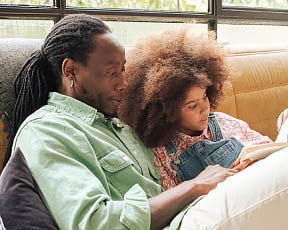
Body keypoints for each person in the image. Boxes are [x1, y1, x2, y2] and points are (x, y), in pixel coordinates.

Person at [3, 14, 285, 230]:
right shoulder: (47, 132)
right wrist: (196, 186)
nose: (124, 83)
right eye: (111, 72)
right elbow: (96, 222)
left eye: (123, 71)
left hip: (197, 211)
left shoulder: (115, 124)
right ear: (71, 70)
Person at [117, 27, 272, 190]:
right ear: (166, 111)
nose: (204, 108)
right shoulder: (162, 154)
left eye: (205, 97)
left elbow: (267, 150)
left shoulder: (224, 122)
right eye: (192, 105)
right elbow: (177, 203)